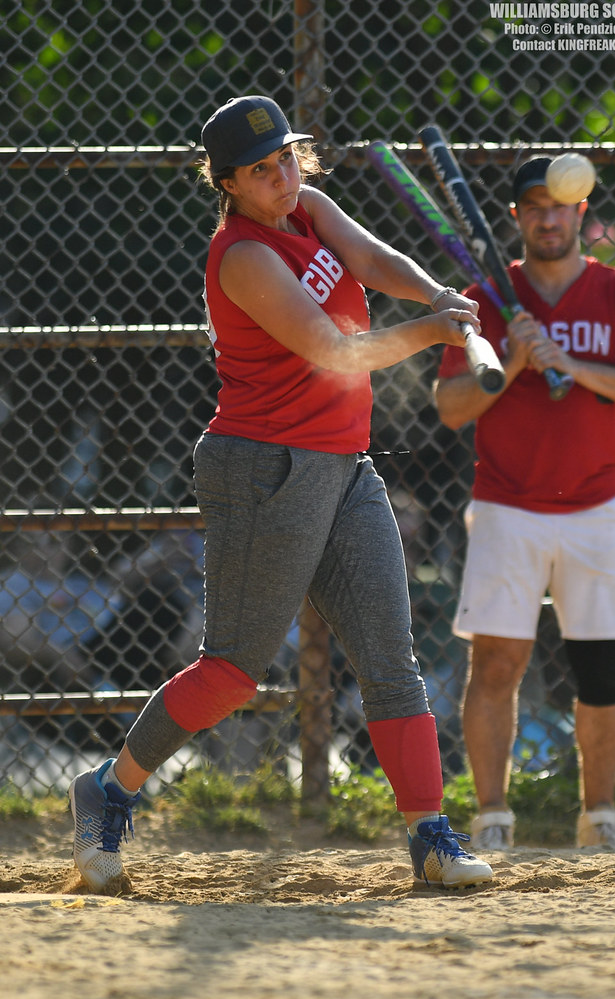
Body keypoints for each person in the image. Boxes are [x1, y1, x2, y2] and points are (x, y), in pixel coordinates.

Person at [67, 94, 493, 893]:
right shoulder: (243, 256)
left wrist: (436, 295)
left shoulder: (311, 207)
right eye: (260, 171)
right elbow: (335, 353)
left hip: (343, 464)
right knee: (232, 669)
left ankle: (430, 836)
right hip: (262, 468)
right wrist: (434, 333)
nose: (282, 177)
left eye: (287, 157)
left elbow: (375, 262)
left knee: (390, 660)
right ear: (225, 183)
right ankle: (109, 789)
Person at [434, 155, 615, 852]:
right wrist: (510, 361)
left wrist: (572, 365)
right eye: (533, 206)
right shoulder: (484, 297)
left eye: (560, 206)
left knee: (600, 671)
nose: (547, 218)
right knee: (497, 665)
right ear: (515, 218)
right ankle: (493, 818)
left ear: (581, 213)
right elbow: (450, 407)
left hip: (598, 507)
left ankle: (599, 816)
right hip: (508, 505)